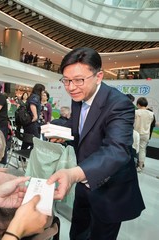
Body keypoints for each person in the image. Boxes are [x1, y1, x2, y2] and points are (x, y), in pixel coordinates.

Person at [47, 47, 145, 240]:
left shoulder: (119, 103)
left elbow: (117, 150)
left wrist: (74, 173)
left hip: (110, 189)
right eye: (66, 80)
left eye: (78, 80)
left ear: (98, 76)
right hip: (84, 185)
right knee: (78, 233)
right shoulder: (78, 98)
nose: (71, 87)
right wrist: (67, 135)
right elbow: (86, 130)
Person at [134, 97, 155, 172]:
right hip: (146, 134)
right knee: (142, 150)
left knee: (134, 149)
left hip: (136, 133)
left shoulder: (136, 112)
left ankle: (133, 164)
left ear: (138, 104)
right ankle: (140, 166)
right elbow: (152, 124)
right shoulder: (151, 114)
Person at [21, 84, 45, 150]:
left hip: (28, 122)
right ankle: (30, 154)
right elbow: (33, 105)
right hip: (33, 122)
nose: (43, 92)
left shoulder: (32, 96)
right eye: (43, 90)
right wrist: (35, 116)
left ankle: (22, 155)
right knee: (36, 140)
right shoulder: (35, 96)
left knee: (26, 139)